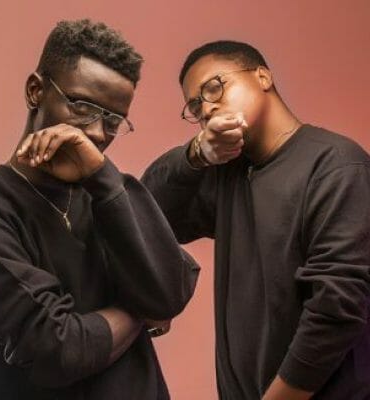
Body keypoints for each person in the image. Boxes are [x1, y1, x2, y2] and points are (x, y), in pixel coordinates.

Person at [0, 19, 199, 400]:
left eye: (113, 120)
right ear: (36, 91)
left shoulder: (110, 190)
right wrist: (138, 310)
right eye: (81, 106)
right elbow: (58, 349)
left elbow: (172, 291)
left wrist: (102, 177)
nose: (95, 132)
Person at [141, 41, 370, 399]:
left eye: (214, 87)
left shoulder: (337, 165)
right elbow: (147, 217)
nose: (207, 108)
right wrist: (195, 154)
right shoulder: (227, 175)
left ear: (263, 77)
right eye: (195, 106)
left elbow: (336, 308)